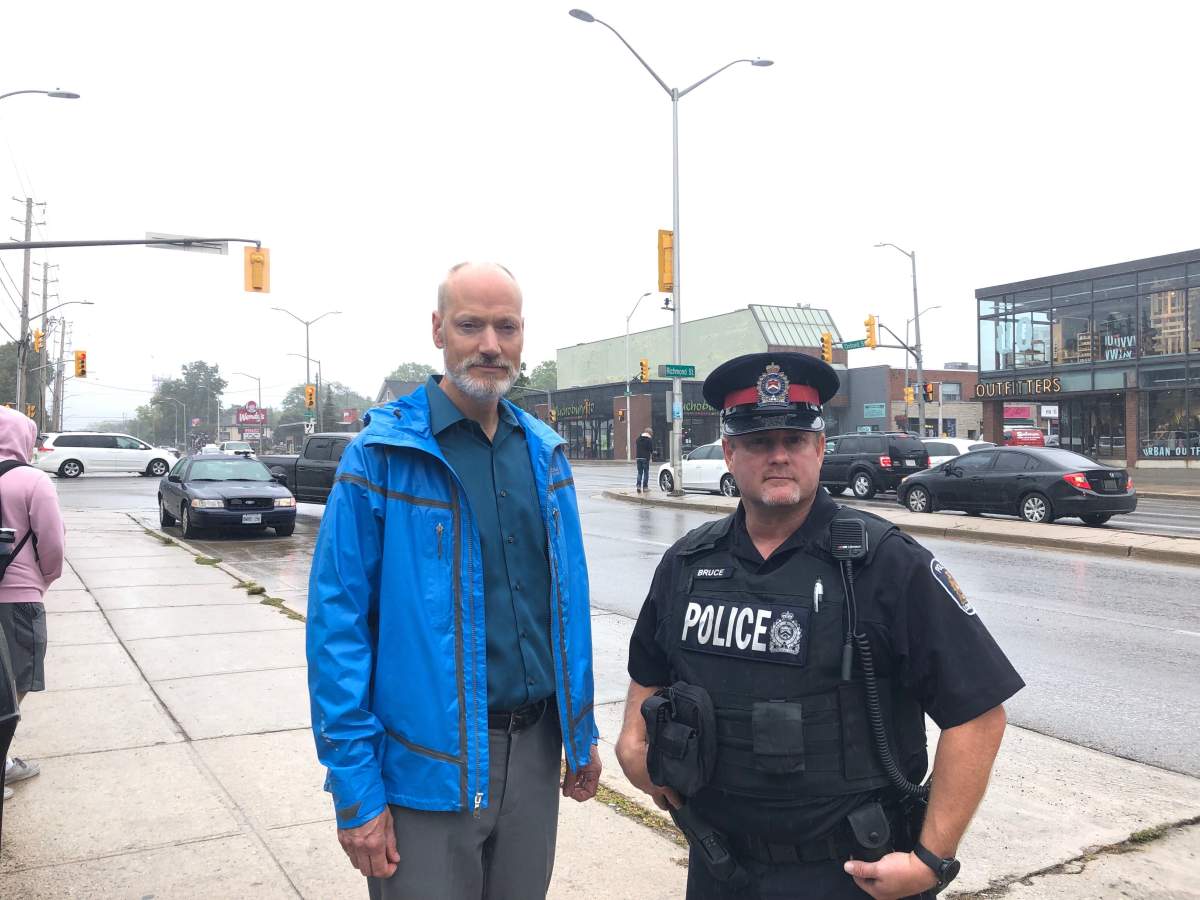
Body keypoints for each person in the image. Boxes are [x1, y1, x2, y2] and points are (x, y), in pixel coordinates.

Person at [617, 352, 1023, 899]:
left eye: (795, 440)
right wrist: (633, 741)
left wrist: (932, 858)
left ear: (819, 449)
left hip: (849, 876)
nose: (779, 456)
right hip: (719, 867)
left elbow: (979, 713)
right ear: (731, 453)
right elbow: (648, 670)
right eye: (760, 443)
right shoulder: (688, 563)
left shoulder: (887, 563)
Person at [307, 262, 601, 900]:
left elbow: (568, 610)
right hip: (424, 766)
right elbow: (339, 629)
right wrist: (356, 788)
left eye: (507, 326)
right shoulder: (382, 456)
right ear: (438, 329)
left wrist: (581, 736)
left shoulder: (545, 455)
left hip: (536, 751)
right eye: (471, 325)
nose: (490, 344)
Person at [0, 405, 65, 801]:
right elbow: (53, 543)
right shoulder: (32, 481)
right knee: (16, 684)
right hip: (19, 598)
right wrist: (43, 578)